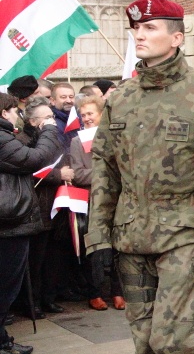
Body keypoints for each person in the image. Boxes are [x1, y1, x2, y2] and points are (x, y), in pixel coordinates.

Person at [85, 0, 194, 354]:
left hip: (185, 236)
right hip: (131, 238)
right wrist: (98, 239)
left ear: (177, 37)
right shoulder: (120, 97)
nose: (139, 35)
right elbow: (105, 172)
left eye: (150, 28)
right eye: (136, 28)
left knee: (172, 342)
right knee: (144, 343)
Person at [0, 92, 61, 354]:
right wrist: (48, 127)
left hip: (8, 222)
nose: (18, 114)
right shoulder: (2, 139)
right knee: (6, 286)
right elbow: (36, 159)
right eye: (15, 110)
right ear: (4, 113)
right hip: (8, 224)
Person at [15, 97, 71, 319]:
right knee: (34, 261)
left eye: (52, 117)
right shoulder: (21, 139)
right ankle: (31, 303)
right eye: (47, 118)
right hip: (34, 207)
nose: (52, 122)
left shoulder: (54, 138)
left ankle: (48, 298)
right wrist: (59, 175)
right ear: (32, 120)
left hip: (53, 205)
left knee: (52, 257)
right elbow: (32, 167)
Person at [69, 95, 125, 311]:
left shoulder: (115, 136)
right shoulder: (77, 141)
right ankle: (95, 292)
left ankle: (118, 291)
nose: (87, 118)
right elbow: (78, 174)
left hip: (118, 199)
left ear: (101, 114)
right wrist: (106, 172)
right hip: (92, 201)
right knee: (95, 249)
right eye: (83, 115)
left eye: (90, 113)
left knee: (118, 246)